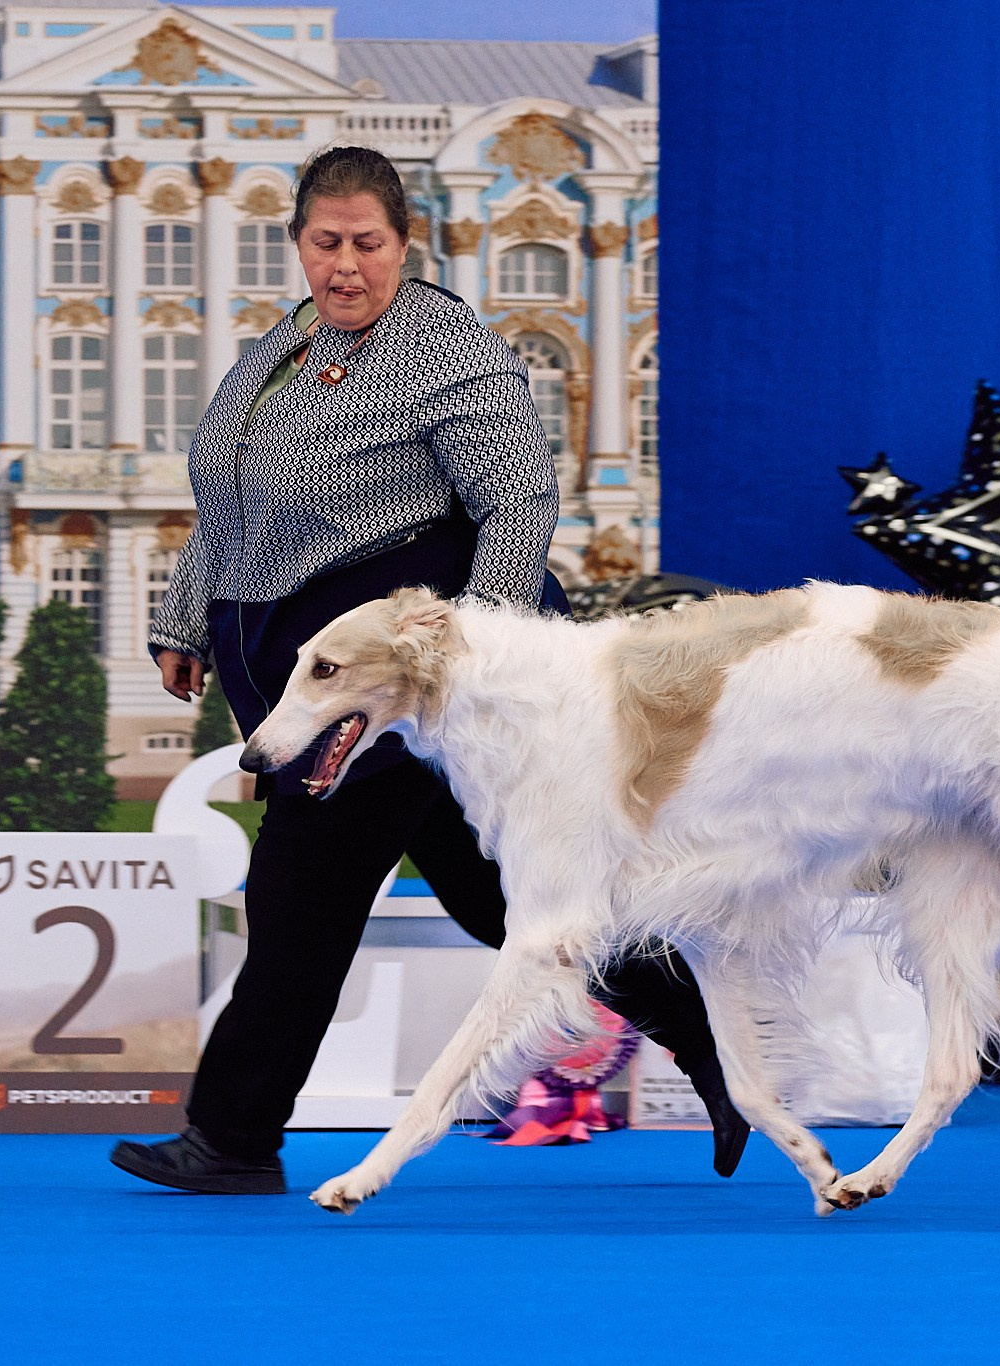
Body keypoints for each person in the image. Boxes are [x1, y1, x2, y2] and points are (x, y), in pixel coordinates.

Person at [111, 146, 747, 1194]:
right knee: (500, 897)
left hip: (416, 685)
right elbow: (229, 501)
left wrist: (467, 660)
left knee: (300, 893)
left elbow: (519, 503)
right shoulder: (283, 348)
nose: (346, 264)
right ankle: (715, 1045)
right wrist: (184, 615)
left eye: (367, 243)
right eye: (326, 243)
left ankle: (229, 1138)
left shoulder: (445, 346)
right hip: (329, 668)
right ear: (298, 245)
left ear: (404, 243)